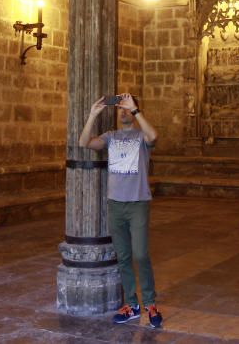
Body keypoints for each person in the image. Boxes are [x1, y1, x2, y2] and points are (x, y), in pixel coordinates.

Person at [79, 93, 163, 328]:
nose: (123, 112)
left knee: (141, 254)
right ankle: (132, 305)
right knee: (124, 257)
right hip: (115, 204)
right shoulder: (111, 137)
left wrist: (136, 110)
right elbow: (84, 142)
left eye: (127, 108)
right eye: (121, 109)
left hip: (137, 203)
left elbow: (154, 136)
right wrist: (93, 115)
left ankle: (150, 303)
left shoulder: (141, 137)